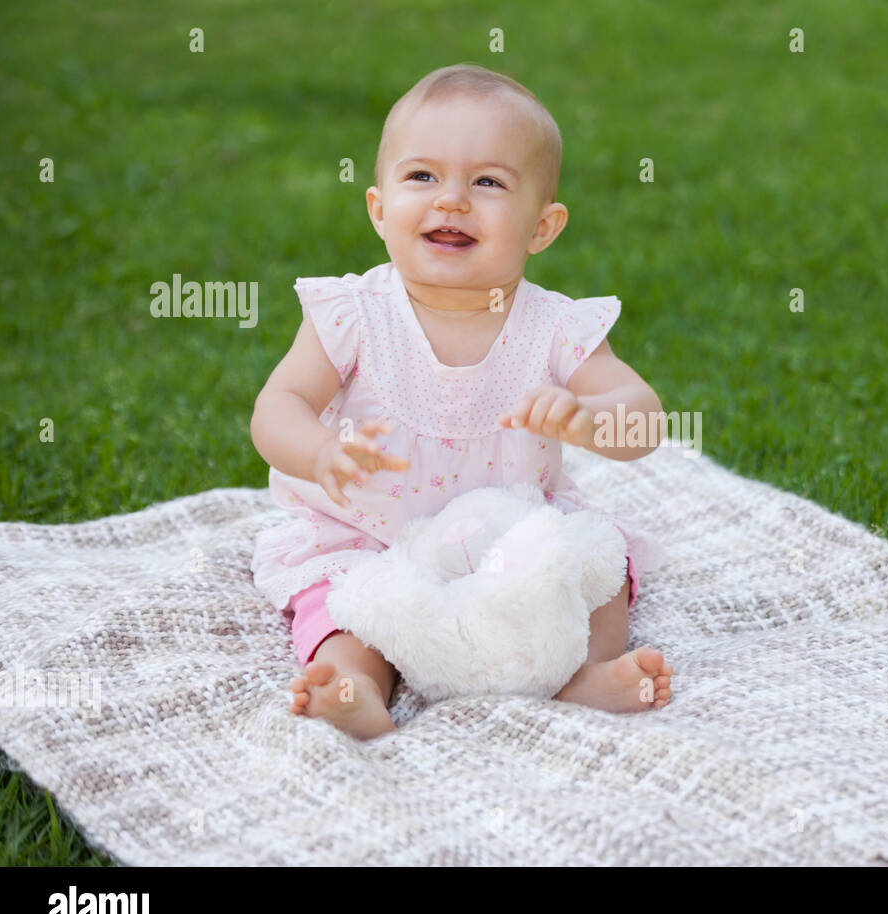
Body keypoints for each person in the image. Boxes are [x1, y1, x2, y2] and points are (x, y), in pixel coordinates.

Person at [249, 64, 672, 739]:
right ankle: (357, 685)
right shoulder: (353, 313)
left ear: (542, 226)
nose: (451, 200)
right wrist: (320, 450)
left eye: (488, 182)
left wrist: (595, 421)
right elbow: (279, 405)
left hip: (510, 540)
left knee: (600, 562)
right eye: (422, 176)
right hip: (371, 537)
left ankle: (584, 671)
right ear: (379, 209)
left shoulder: (556, 326)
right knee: (345, 604)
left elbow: (643, 415)